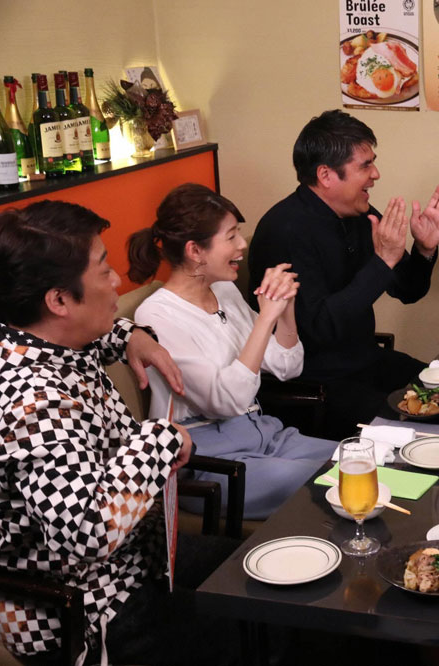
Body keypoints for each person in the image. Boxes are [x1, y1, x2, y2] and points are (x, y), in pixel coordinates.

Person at [0, 201, 237, 665]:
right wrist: (162, 438)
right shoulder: (33, 403)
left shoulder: (37, 334)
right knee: (262, 623)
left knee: (256, 573)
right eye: (104, 270)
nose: (117, 282)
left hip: (140, 558)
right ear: (59, 301)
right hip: (89, 609)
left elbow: (96, 338)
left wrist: (131, 336)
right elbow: (89, 531)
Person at [129, 184, 339, 520]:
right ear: (195, 251)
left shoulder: (225, 291)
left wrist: (285, 309)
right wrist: (265, 318)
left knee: (361, 459)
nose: (242, 244)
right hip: (209, 461)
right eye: (231, 236)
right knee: (335, 481)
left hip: (264, 434)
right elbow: (226, 401)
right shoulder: (157, 315)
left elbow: (287, 366)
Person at [248, 110, 439, 438]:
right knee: (428, 431)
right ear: (326, 175)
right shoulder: (284, 230)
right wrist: (381, 264)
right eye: (365, 166)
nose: (376, 174)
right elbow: (319, 328)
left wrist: (424, 249)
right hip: (315, 384)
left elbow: (409, 291)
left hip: (365, 362)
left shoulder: (361, 215)